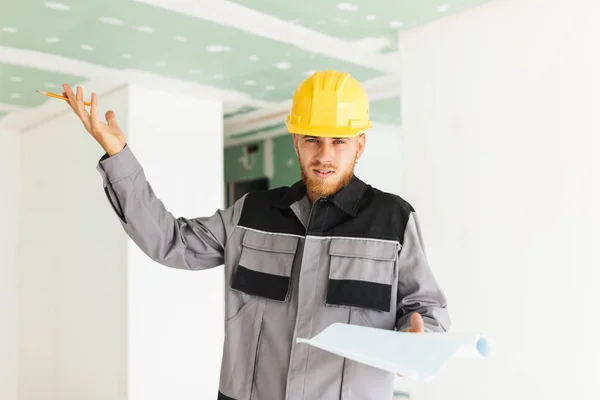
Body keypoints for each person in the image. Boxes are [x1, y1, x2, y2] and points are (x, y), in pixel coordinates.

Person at [62, 70, 450, 400]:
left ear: (360, 145)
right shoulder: (252, 213)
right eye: (312, 139)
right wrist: (118, 156)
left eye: (339, 141)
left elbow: (425, 310)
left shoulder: (392, 219)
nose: (324, 155)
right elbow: (172, 243)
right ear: (296, 141)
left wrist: (418, 339)